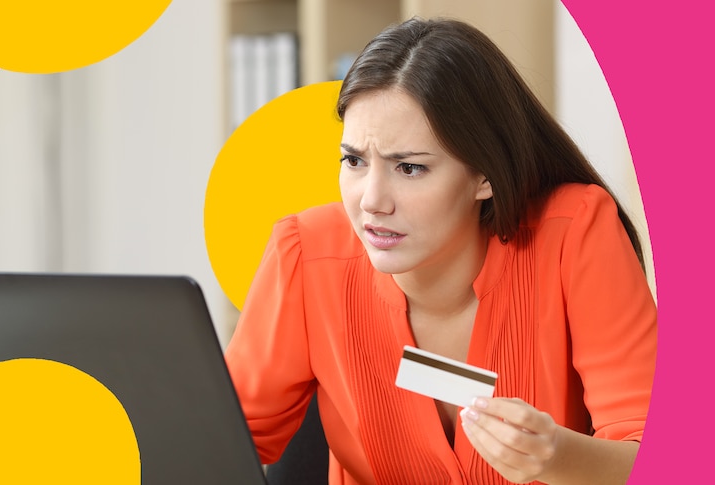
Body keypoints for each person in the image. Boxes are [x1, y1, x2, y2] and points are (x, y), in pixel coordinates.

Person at [224, 17, 656, 485]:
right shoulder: (304, 253)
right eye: (354, 161)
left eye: (409, 168)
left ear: (485, 175)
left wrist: (557, 458)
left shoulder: (575, 231)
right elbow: (217, 446)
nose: (371, 201)